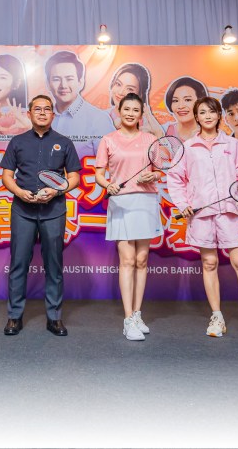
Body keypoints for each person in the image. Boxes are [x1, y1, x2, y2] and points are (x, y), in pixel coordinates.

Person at [166, 97, 238, 345]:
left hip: (230, 212)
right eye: (202, 112)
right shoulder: (188, 147)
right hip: (201, 214)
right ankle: (217, 317)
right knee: (209, 263)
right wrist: (183, 203)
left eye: (212, 111)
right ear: (197, 116)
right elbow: (175, 178)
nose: (207, 116)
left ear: (218, 115)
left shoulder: (232, 144)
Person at [0, 94, 81, 336]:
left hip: (53, 211)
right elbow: (6, 176)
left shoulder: (64, 142)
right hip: (22, 211)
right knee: (18, 264)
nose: (42, 113)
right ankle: (14, 317)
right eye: (38, 109)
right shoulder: (17, 142)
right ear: (29, 113)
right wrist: (19, 192)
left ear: (53, 115)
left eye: (47, 109)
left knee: (54, 265)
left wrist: (57, 190)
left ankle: (54, 318)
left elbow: (74, 177)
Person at [94, 93, 163, 341]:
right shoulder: (108, 140)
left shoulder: (151, 140)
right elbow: (99, 174)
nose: (131, 113)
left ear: (141, 114)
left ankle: (137, 313)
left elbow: (159, 171)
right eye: (127, 109)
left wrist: (153, 176)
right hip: (121, 202)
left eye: (136, 110)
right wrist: (108, 185)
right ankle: (127, 319)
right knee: (127, 259)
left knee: (142, 259)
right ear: (119, 111)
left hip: (146, 201)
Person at [45, 50, 114, 158]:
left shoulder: (99, 119)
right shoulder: (42, 118)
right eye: (56, 79)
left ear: (80, 82)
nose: (63, 85)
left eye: (69, 79)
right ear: (48, 84)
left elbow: (111, 163)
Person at [107, 63, 164, 138]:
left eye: (130, 89)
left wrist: (158, 132)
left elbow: (164, 143)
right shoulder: (101, 117)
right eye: (118, 84)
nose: (120, 92)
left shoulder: (148, 124)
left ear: (140, 94)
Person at [163, 76, 207, 142]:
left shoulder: (210, 135)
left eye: (187, 100)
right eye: (175, 100)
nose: (181, 106)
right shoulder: (163, 131)